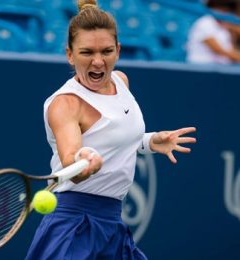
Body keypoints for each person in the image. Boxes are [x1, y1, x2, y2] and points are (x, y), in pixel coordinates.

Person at [26, 0, 197, 259]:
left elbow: (113, 137)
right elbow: (70, 158)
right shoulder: (65, 104)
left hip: (112, 221)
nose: (98, 62)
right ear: (70, 55)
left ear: (117, 50)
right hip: (75, 224)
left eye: (106, 51)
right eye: (86, 52)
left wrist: (149, 142)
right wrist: (83, 163)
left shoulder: (121, 80)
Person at [186, 0, 240, 64]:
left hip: (220, 67)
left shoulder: (224, 25)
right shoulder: (205, 22)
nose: (225, 12)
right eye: (222, 9)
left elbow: (231, 46)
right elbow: (218, 50)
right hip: (201, 67)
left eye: (227, 10)